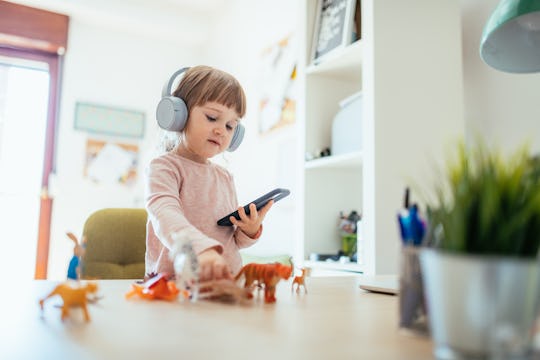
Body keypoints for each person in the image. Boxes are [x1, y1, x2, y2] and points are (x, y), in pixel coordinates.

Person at [145, 65, 273, 282]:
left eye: (231, 126)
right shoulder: (164, 168)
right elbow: (165, 216)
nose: (221, 130)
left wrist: (249, 230)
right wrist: (200, 250)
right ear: (179, 114)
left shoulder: (224, 177)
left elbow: (229, 239)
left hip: (225, 283)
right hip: (176, 285)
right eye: (212, 117)